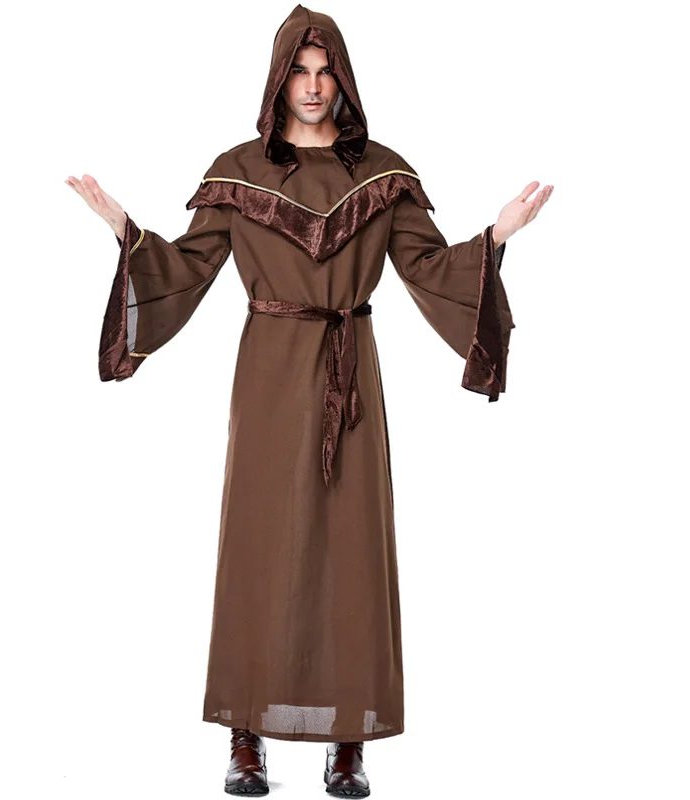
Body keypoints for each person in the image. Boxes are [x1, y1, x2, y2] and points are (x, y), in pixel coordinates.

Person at [66, 4, 552, 796]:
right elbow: (186, 269)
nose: (314, 86)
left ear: (344, 80)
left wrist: (496, 238)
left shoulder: (383, 175)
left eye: (326, 72)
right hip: (268, 371)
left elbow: (429, 270)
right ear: (278, 79)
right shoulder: (238, 172)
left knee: (351, 546)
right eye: (300, 70)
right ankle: (246, 734)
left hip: (349, 370)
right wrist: (126, 230)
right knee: (259, 542)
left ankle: (348, 737)